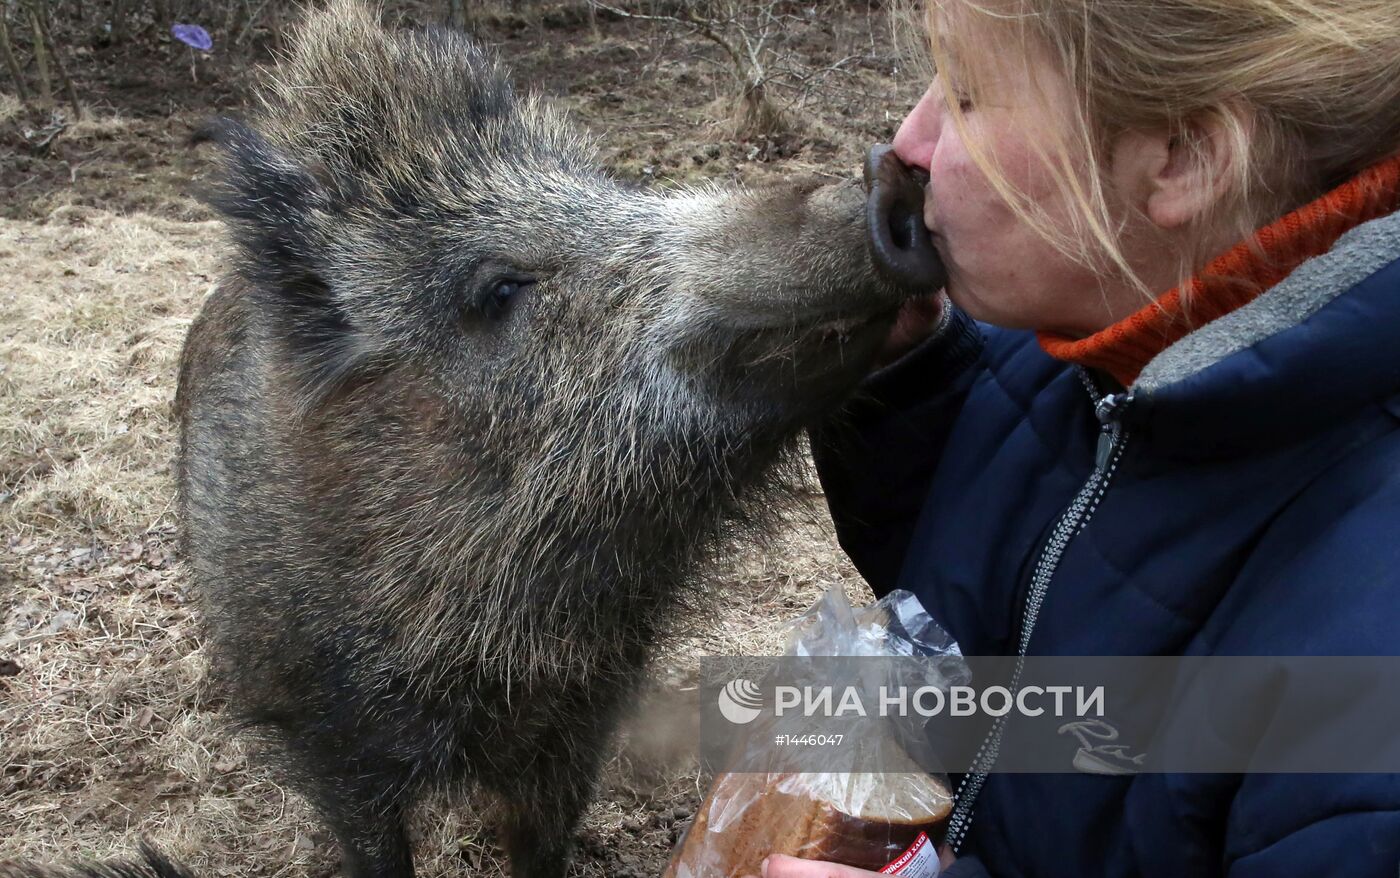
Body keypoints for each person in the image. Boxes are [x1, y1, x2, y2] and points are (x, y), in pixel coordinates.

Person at [766, 1, 1400, 876]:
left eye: (969, 92)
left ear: (1185, 156)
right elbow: (1044, 591)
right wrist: (913, 383)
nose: (908, 145)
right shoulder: (1122, 331)